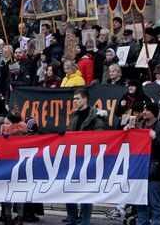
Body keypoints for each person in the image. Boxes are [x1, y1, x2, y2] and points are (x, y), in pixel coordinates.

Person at [65, 88, 108, 225]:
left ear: (85, 99)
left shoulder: (95, 115)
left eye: (77, 98)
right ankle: (71, 219)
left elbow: (99, 135)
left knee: (86, 191)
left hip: (88, 158)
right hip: (73, 157)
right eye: (74, 99)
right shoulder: (74, 115)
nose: (75, 101)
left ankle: (85, 221)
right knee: (69, 189)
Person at [134, 103, 160, 225]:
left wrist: (155, 138)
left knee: (155, 203)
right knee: (140, 202)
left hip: (154, 171)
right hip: (140, 170)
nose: (144, 112)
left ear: (154, 113)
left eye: (147, 110)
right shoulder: (140, 125)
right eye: (144, 109)